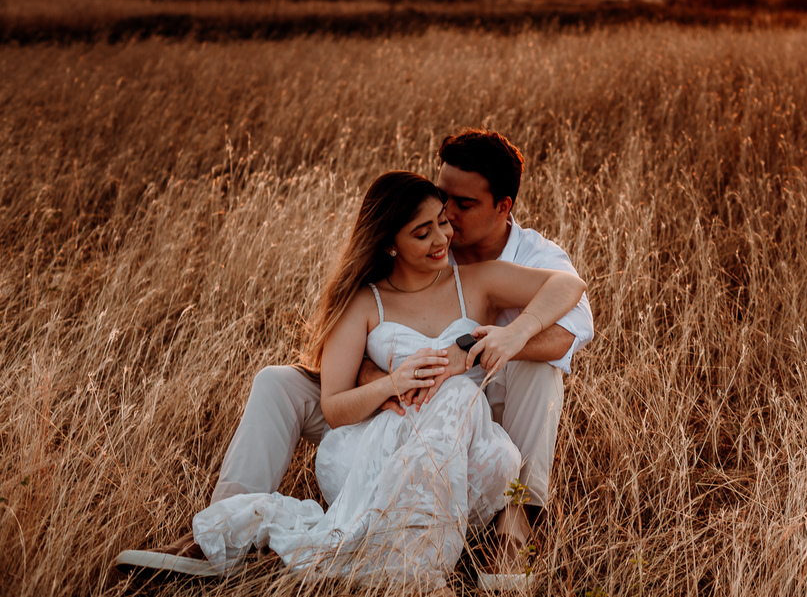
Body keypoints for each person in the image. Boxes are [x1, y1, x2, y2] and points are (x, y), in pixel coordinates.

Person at [116, 130, 593, 587]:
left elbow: (566, 329)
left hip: (478, 406)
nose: (445, 219)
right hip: (384, 409)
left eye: (460, 207)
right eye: (439, 201)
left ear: (502, 207)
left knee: (539, 369)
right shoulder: (389, 269)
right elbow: (343, 374)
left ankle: (512, 533)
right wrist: (384, 379)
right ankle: (219, 535)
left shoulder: (523, 260)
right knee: (276, 381)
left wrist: (493, 342)